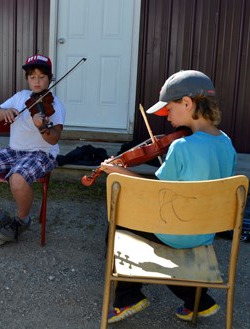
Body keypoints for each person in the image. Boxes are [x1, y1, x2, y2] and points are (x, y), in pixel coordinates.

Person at [101, 70, 237, 323]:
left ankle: (129, 296)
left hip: (177, 231)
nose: (167, 116)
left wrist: (120, 171)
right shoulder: (227, 143)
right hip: (207, 230)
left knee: (116, 221)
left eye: (170, 109)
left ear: (187, 103)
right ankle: (199, 301)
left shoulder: (182, 146)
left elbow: (155, 193)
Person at [0, 54, 65, 244]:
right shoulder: (20, 97)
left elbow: (53, 139)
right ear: (27, 78)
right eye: (32, 77)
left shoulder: (55, 105)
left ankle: (22, 220)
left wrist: (42, 127)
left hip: (41, 153)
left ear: (50, 78)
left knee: (17, 179)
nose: (37, 81)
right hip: (14, 151)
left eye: (42, 77)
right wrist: (4, 112)